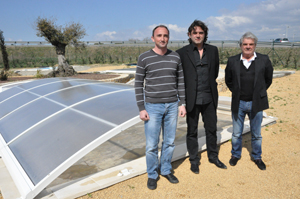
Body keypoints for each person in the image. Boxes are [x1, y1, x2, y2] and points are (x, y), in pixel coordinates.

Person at [135, 25, 186, 190]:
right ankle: (152, 174)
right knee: (151, 145)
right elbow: (137, 84)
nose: (162, 38)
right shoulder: (144, 58)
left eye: (165, 36)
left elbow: (180, 82)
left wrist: (182, 103)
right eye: (159, 36)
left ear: (168, 38)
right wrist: (141, 108)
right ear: (153, 38)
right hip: (152, 107)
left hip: (172, 105)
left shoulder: (175, 57)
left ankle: (165, 170)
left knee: (169, 142)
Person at [176, 20, 226, 174]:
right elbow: (179, 78)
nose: (198, 35)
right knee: (192, 131)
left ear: (205, 34)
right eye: (195, 32)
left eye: (201, 33)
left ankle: (213, 156)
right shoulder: (181, 53)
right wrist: (181, 101)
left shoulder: (213, 50)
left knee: (211, 128)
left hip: (209, 97)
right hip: (192, 98)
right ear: (189, 35)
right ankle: (194, 160)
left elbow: (215, 71)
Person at [225, 32, 273, 170]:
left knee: (256, 134)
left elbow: (268, 79)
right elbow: (228, 80)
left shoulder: (264, 60)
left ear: (255, 45)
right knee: (236, 133)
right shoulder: (233, 61)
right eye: (245, 44)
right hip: (239, 103)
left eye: (251, 44)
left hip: (256, 103)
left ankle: (257, 157)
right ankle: (235, 155)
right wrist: (237, 92)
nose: (248, 47)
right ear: (240, 45)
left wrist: (259, 92)